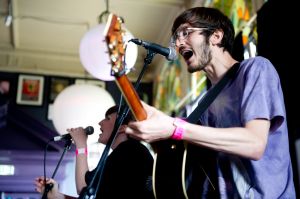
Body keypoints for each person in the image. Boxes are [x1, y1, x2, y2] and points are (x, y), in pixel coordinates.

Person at [124, 7, 296, 198]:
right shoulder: (205, 104)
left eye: (186, 33)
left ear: (216, 36)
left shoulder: (255, 69)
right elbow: (191, 160)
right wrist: (154, 132)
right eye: (176, 38)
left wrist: (175, 127)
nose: (179, 43)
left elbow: (254, 144)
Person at [35, 105, 154, 199]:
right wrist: (57, 196)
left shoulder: (129, 152)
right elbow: (90, 195)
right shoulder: (128, 151)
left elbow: (83, 188)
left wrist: (81, 145)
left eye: (108, 118)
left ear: (122, 127)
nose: (100, 122)